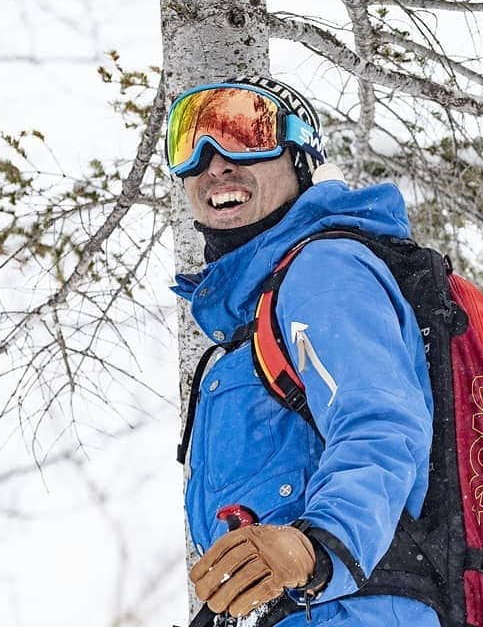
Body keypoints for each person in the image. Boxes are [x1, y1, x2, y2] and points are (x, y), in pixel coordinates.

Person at [167, 77, 440, 627]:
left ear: (297, 154)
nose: (213, 163)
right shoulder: (254, 320)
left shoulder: (323, 271)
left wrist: (322, 546)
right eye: (189, 143)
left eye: (244, 132)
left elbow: (380, 425)